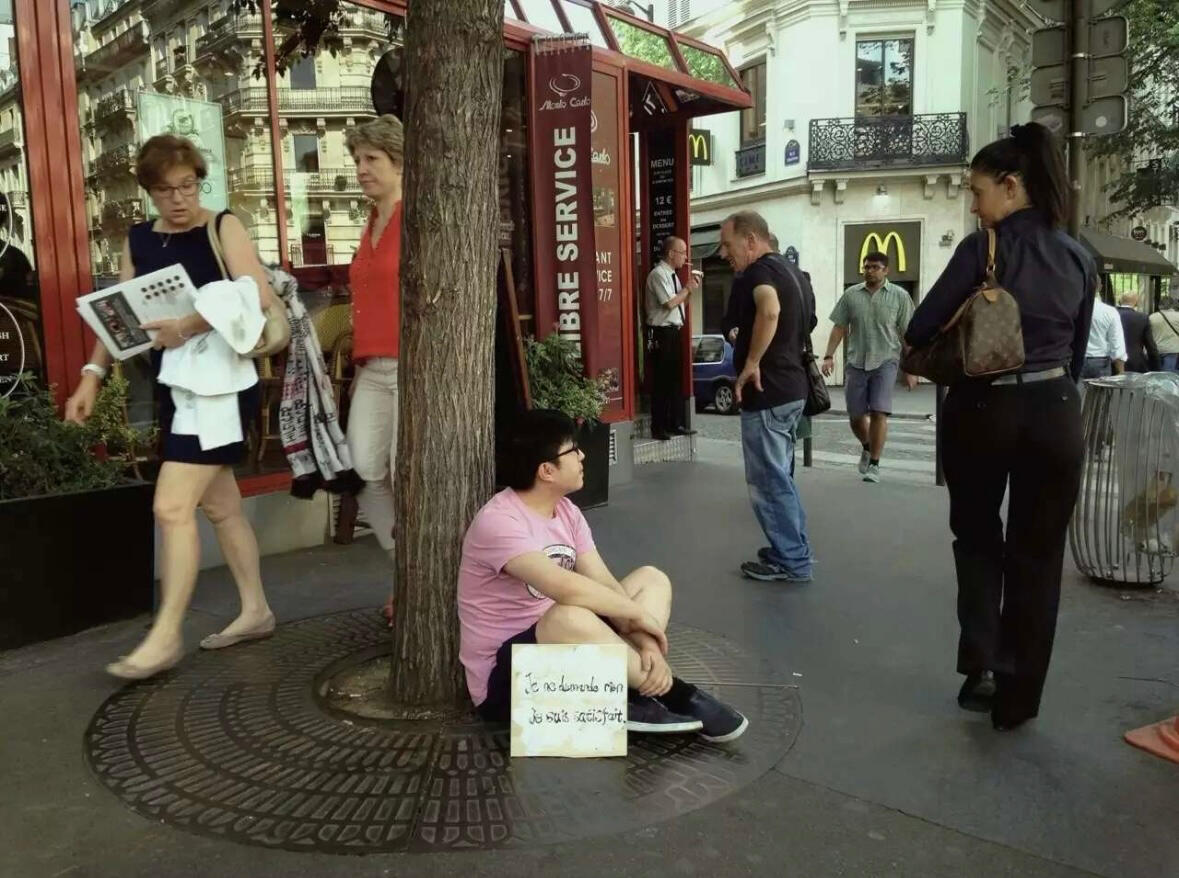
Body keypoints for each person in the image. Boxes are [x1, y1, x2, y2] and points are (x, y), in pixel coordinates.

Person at [904, 122, 1096, 731]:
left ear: (1011, 187)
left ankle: (981, 662)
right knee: (1039, 558)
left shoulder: (982, 249)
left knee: (979, 536)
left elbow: (920, 328)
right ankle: (1019, 702)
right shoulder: (1078, 256)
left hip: (985, 409)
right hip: (1057, 410)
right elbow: (1077, 351)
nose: (973, 202)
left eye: (977, 189)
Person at [65, 134, 278, 679]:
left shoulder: (221, 225)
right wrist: (91, 375)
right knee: (222, 507)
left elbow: (256, 295)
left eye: (187, 186)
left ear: (198, 182)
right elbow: (118, 318)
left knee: (171, 508)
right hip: (175, 389)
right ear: (150, 193)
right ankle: (255, 610)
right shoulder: (140, 239)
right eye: (166, 190)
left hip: (222, 392)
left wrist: (188, 324)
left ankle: (165, 636)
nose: (179, 198)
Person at [458, 409, 748, 741]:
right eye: (573, 450)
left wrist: (645, 642)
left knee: (651, 579)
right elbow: (565, 587)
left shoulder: (566, 511)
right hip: (507, 679)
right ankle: (673, 693)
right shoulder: (499, 521)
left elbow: (602, 582)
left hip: (564, 645)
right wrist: (639, 616)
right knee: (567, 615)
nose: (582, 455)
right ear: (546, 470)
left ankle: (637, 680)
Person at [720, 210, 816, 583]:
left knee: (769, 481)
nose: (724, 253)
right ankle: (792, 550)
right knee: (782, 478)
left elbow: (770, 309)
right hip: (793, 390)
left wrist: (753, 361)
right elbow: (806, 322)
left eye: (728, 245)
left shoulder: (758, 273)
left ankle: (792, 560)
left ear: (750, 240)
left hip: (768, 392)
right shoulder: (794, 273)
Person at [345, 114, 404, 628]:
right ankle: (407, 574)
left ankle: (423, 583)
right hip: (371, 366)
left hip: (410, 368)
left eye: (372, 160)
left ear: (398, 162)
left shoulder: (414, 218)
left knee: (409, 476)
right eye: (358, 160)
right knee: (363, 470)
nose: (361, 169)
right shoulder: (367, 222)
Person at [821, 251, 917, 483]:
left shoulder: (900, 296)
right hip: (856, 363)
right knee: (855, 416)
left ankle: (874, 464)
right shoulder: (851, 295)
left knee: (878, 412)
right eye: (866, 267)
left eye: (875, 267)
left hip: (886, 361)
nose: (869, 271)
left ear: (886, 271)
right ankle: (866, 445)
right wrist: (828, 356)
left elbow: (907, 333)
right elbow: (839, 327)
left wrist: (912, 368)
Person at [644, 236, 698, 440]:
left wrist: (689, 292)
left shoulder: (673, 276)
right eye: (683, 252)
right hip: (661, 332)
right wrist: (687, 289)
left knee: (675, 379)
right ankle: (658, 427)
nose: (686, 257)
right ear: (671, 253)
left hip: (674, 330)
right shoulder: (658, 274)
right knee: (662, 381)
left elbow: (678, 306)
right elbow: (668, 303)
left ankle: (675, 423)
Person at [1081, 286, 1127, 383]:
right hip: (1100, 362)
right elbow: (1117, 343)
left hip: (1075, 360)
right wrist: (1121, 372)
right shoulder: (1109, 311)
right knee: (1100, 396)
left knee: (1075, 396)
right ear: (1100, 287)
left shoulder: (1071, 309)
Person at [1115, 291, 1160, 373]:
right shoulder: (1142, 318)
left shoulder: (1112, 314)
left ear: (1121, 300)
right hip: (1136, 362)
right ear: (1136, 302)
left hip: (1113, 361)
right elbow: (1150, 345)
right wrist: (1156, 367)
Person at [1149, 297, 1179, 372]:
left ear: (1159, 305)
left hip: (1156, 349)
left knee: (1155, 373)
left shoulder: (1152, 317)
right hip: (1172, 350)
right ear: (1173, 305)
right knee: (1168, 374)